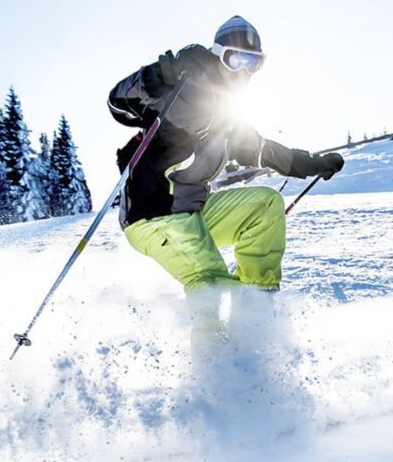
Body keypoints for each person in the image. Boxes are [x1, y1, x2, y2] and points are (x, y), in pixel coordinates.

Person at [108, 15, 344, 293]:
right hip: (153, 214)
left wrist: (311, 164)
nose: (244, 71)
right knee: (210, 283)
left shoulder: (227, 118)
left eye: (253, 62)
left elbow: (262, 151)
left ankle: (256, 303)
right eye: (237, 60)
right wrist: (160, 75)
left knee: (266, 205)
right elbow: (118, 103)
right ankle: (215, 335)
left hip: (191, 211)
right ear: (218, 55)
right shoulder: (181, 86)